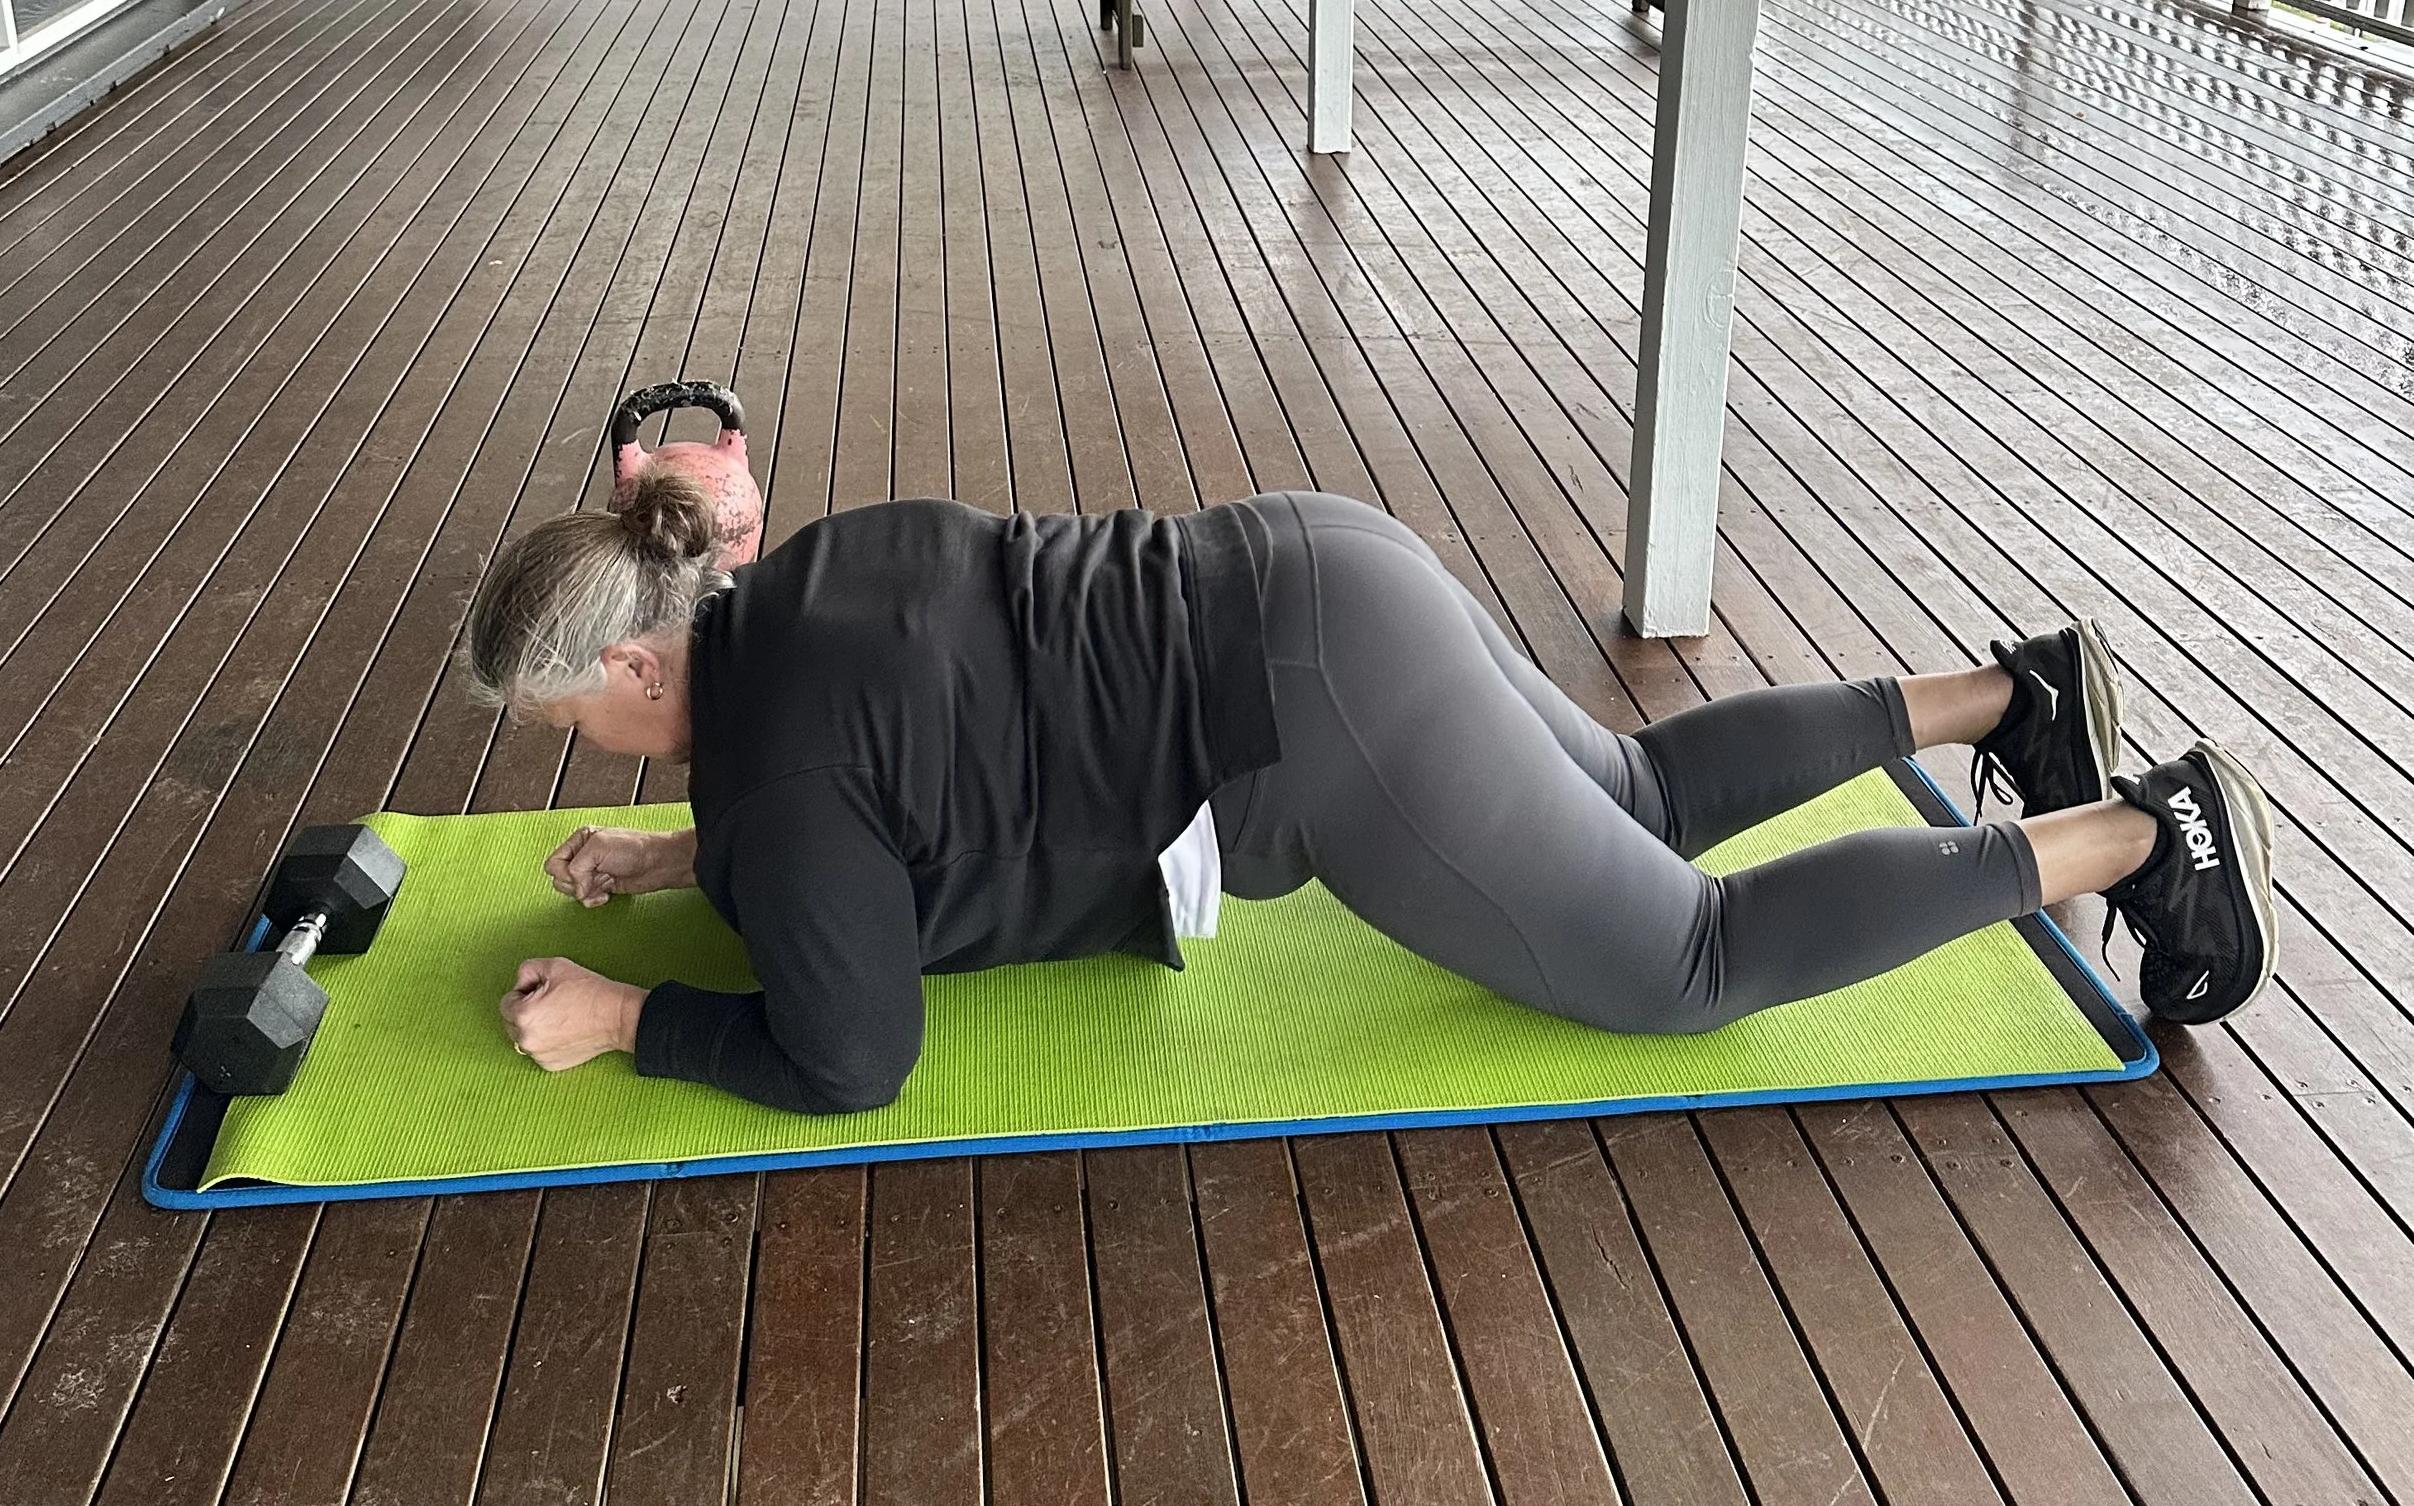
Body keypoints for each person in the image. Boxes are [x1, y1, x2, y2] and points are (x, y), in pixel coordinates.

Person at [461, 476, 2278, 1112]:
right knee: (1638, 785)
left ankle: (2135, 837)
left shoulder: (774, 792)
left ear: (629, 668)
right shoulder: (799, 588)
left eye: (567, 729)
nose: (575, 755)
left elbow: (849, 1058)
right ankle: (2010, 694)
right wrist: (679, 850)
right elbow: (892, 780)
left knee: (1690, 965)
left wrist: (636, 1018)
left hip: (1319, 726)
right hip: (1325, 563)